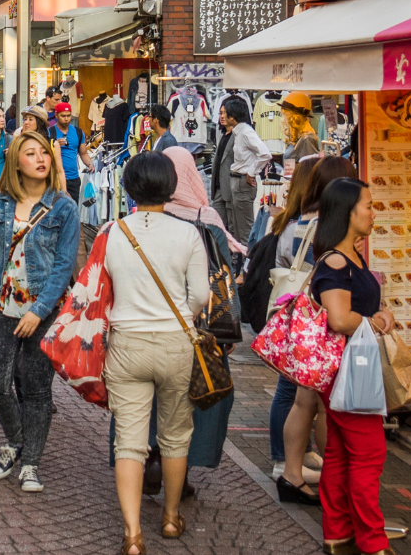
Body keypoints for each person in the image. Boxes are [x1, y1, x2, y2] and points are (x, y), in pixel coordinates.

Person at [102, 153, 210, 555]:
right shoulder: (187, 234)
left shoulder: (113, 231)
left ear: (128, 186)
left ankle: (132, 534)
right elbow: (199, 296)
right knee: (176, 434)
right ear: (170, 185)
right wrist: (183, 315)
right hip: (175, 341)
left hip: (126, 341)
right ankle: (169, 516)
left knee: (128, 441)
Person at [0, 129, 76, 493]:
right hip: (0, 304)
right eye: (30, 153)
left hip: (44, 312)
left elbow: (63, 268)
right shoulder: (1, 204)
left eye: (44, 152)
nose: (40, 159)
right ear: (15, 162)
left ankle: (30, 463)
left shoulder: (64, 207)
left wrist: (38, 312)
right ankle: (16, 439)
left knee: (37, 389)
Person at [263, 154, 355, 503]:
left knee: (298, 395)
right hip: (316, 322)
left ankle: (289, 463)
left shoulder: (294, 223)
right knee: (300, 396)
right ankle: (288, 462)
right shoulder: (325, 229)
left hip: (299, 318)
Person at [310, 177, 395, 555]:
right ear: (347, 212)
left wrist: (377, 315)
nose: (373, 212)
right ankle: (372, 542)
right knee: (368, 453)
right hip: (348, 371)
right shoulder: (335, 261)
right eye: (368, 205)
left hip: (351, 368)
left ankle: (339, 534)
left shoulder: (351, 257)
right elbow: (340, 319)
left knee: (342, 454)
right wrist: (374, 321)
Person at [213, 95, 266, 244]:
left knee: (239, 230)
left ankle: (242, 261)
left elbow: (264, 154)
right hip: (222, 187)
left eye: (225, 113)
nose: (223, 116)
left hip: (236, 186)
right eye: (221, 113)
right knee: (221, 227)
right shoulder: (228, 134)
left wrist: (251, 172)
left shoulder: (243, 133)